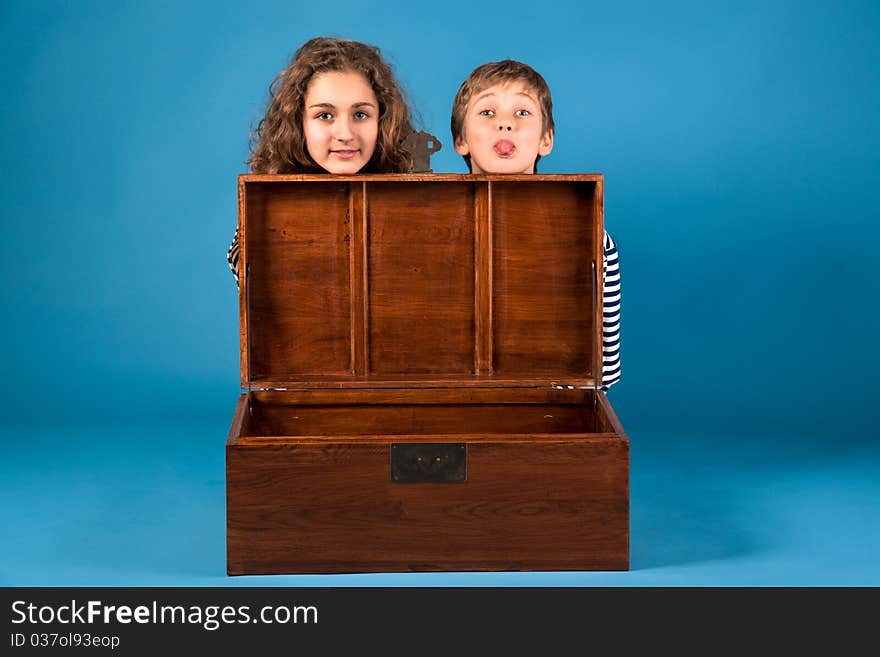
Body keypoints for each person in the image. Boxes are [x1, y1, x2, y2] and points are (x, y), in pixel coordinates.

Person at [450, 60, 621, 389]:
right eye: (487, 113)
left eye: (522, 113)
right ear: (461, 140)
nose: (505, 124)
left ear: (546, 139)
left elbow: (604, 372)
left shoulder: (593, 241)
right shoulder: (423, 233)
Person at [226, 37, 415, 285]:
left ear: (382, 119)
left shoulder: (413, 202)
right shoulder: (265, 211)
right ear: (299, 122)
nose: (345, 134)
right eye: (324, 115)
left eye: (361, 114)